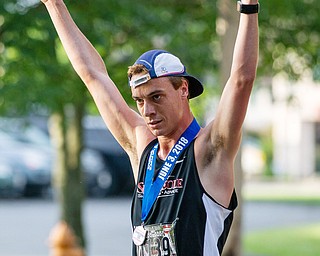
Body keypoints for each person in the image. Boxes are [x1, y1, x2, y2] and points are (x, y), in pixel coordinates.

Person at [40, 0, 259, 255]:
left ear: (183, 90)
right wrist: (53, 4)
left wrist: (248, 7)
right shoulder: (142, 146)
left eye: (156, 97)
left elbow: (241, 80)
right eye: (139, 101)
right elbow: (93, 75)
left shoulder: (209, 150)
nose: (147, 111)